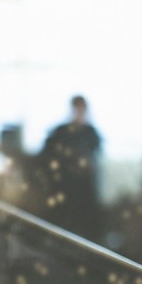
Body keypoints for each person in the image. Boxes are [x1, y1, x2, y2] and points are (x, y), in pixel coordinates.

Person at [34, 94, 103, 242]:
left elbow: (94, 158)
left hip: (82, 187)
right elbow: (47, 155)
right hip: (63, 184)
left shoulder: (91, 133)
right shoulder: (60, 131)